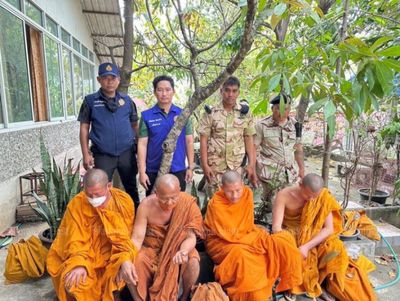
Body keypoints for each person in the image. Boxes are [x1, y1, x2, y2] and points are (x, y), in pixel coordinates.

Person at [272, 173, 376, 301]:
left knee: (335, 248)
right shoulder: (283, 195)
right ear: (300, 185)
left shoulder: (322, 197)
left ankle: (323, 285)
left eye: (314, 197)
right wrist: (289, 241)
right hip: (291, 233)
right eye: (308, 195)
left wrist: (306, 246)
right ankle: (292, 286)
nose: (311, 200)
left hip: (315, 234)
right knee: (288, 249)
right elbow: (276, 227)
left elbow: (328, 229)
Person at [204, 171, 302, 301]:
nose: (235, 196)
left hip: (247, 234)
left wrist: (256, 238)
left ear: (243, 185)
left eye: (238, 190)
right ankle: (252, 295)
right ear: (222, 189)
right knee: (242, 256)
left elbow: (246, 224)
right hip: (222, 242)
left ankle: (289, 285)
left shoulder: (247, 194)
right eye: (229, 191)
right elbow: (228, 234)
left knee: (285, 240)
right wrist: (255, 241)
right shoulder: (216, 203)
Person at [47, 169, 137, 301]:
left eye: (97, 194)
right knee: (75, 282)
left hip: (113, 255)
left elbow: (125, 239)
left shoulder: (123, 202)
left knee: (120, 274)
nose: (93, 199)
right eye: (89, 194)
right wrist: (79, 263)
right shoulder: (77, 204)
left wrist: (124, 259)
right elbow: (73, 239)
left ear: (109, 186)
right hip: (84, 256)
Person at [121, 174, 204, 301]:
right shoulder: (146, 206)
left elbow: (191, 236)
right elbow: (137, 238)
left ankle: (185, 296)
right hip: (152, 248)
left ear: (180, 190)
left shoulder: (188, 204)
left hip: (178, 248)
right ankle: (138, 299)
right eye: (164, 199)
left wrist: (184, 251)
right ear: (156, 193)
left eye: (174, 198)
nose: (169, 203)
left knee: (193, 261)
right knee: (134, 261)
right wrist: (126, 258)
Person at [78, 62, 140, 208]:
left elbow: (135, 125)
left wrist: (139, 149)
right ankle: (103, 222)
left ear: (118, 79)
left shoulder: (127, 101)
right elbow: (84, 128)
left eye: (113, 78)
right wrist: (85, 153)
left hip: (127, 153)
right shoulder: (90, 101)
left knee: (131, 188)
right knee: (100, 190)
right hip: (103, 155)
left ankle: (135, 218)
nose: (110, 81)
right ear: (99, 80)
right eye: (105, 78)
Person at [198, 76, 257, 195]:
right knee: (216, 201)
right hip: (215, 166)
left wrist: (251, 165)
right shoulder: (211, 112)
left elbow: (249, 139)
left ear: (238, 92)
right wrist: (204, 165)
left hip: (237, 166)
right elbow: (203, 140)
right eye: (227, 90)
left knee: (235, 199)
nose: (230, 94)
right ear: (221, 91)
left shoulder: (245, 113)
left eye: (234, 91)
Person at [137, 75, 194, 196]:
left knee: (177, 205)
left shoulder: (183, 115)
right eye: (160, 90)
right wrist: (142, 172)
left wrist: (190, 167)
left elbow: (189, 141)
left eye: (168, 90)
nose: (164, 93)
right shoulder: (147, 116)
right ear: (154, 92)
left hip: (178, 169)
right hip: (154, 170)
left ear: (173, 91)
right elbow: (142, 144)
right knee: (154, 203)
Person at [254, 94, 304, 212]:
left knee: (289, 207)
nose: (281, 112)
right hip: (270, 175)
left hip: (290, 176)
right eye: (278, 108)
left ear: (289, 110)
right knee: (271, 208)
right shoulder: (261, 125)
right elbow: (253, 148)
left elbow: (298, 149)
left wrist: (302, 168)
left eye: (285, 109)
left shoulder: (295, 126)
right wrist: (252, 170)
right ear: (272, 109)